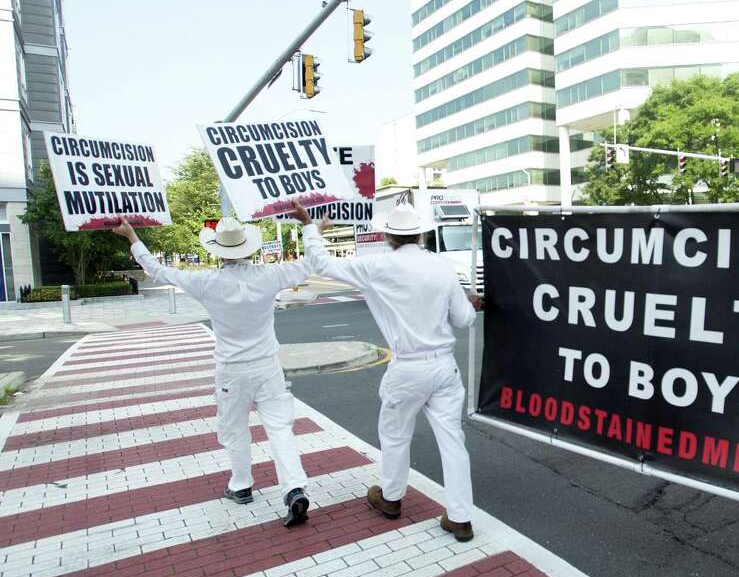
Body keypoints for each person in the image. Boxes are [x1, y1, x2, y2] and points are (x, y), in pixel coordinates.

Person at [291, 200, 483, 541]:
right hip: (444, 366)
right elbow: (465, 320)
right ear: (422, 234)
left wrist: (309, 224)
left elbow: (319, 263)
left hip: (408, 368)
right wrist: (470, 302)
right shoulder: (442, 267)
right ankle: (460, 518)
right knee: (453, 442)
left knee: (395, 436)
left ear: (387, 235)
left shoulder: (376, 265)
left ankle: (392, 497)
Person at [114, 217, 312, 528]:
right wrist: (314, 227)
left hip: (231, 370)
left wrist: (132, 237)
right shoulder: (270, 275)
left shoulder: (207, 282)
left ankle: (242, 485)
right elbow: (312, 263)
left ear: (218, 251)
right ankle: (293, 488)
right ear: (248, 247)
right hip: (268, 366)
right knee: (279, 429)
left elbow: (158, 270)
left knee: (234, 429)